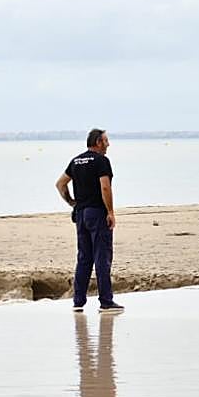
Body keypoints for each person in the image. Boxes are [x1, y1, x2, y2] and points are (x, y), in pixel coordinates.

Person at [55, 128, 124, 313]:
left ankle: (78, 301)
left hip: (81, 214)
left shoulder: (76, 160)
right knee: (102, 257)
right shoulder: (102, 161)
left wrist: (72, 203)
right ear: (98, 142)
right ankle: (106, 301)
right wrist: (110, 211)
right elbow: (105, 188)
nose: (108, 144)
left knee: (84, 258)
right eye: (106, 141)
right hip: (97, 213)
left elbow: (60, 183)